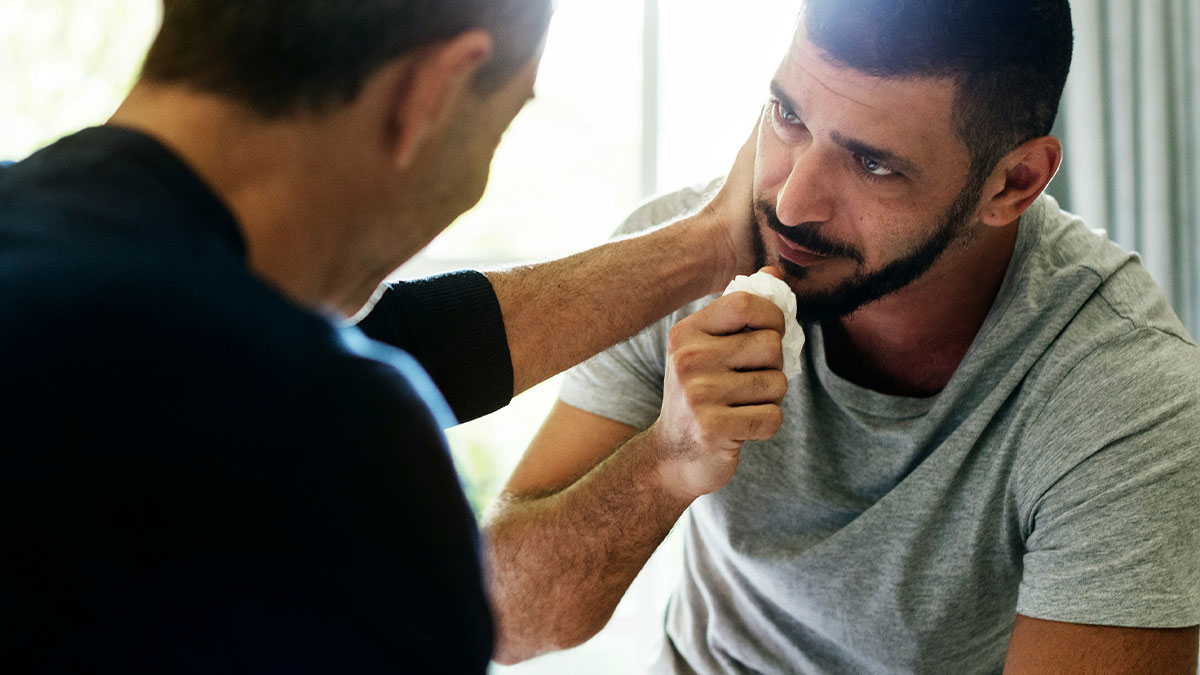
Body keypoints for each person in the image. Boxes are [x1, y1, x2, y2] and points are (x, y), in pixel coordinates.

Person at [0, 1, 761, 672]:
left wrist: (709, 243)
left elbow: (376, 334)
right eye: (503, 119)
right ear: (429, 93)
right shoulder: (339, 434)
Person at [485, 1, 1200, 673]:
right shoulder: (686, 259)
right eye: (788, 116)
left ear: (1014, 182)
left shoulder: (1124, 393)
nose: (792, 202)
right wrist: (664, 462)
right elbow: (504, 619)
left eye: (873, 164)